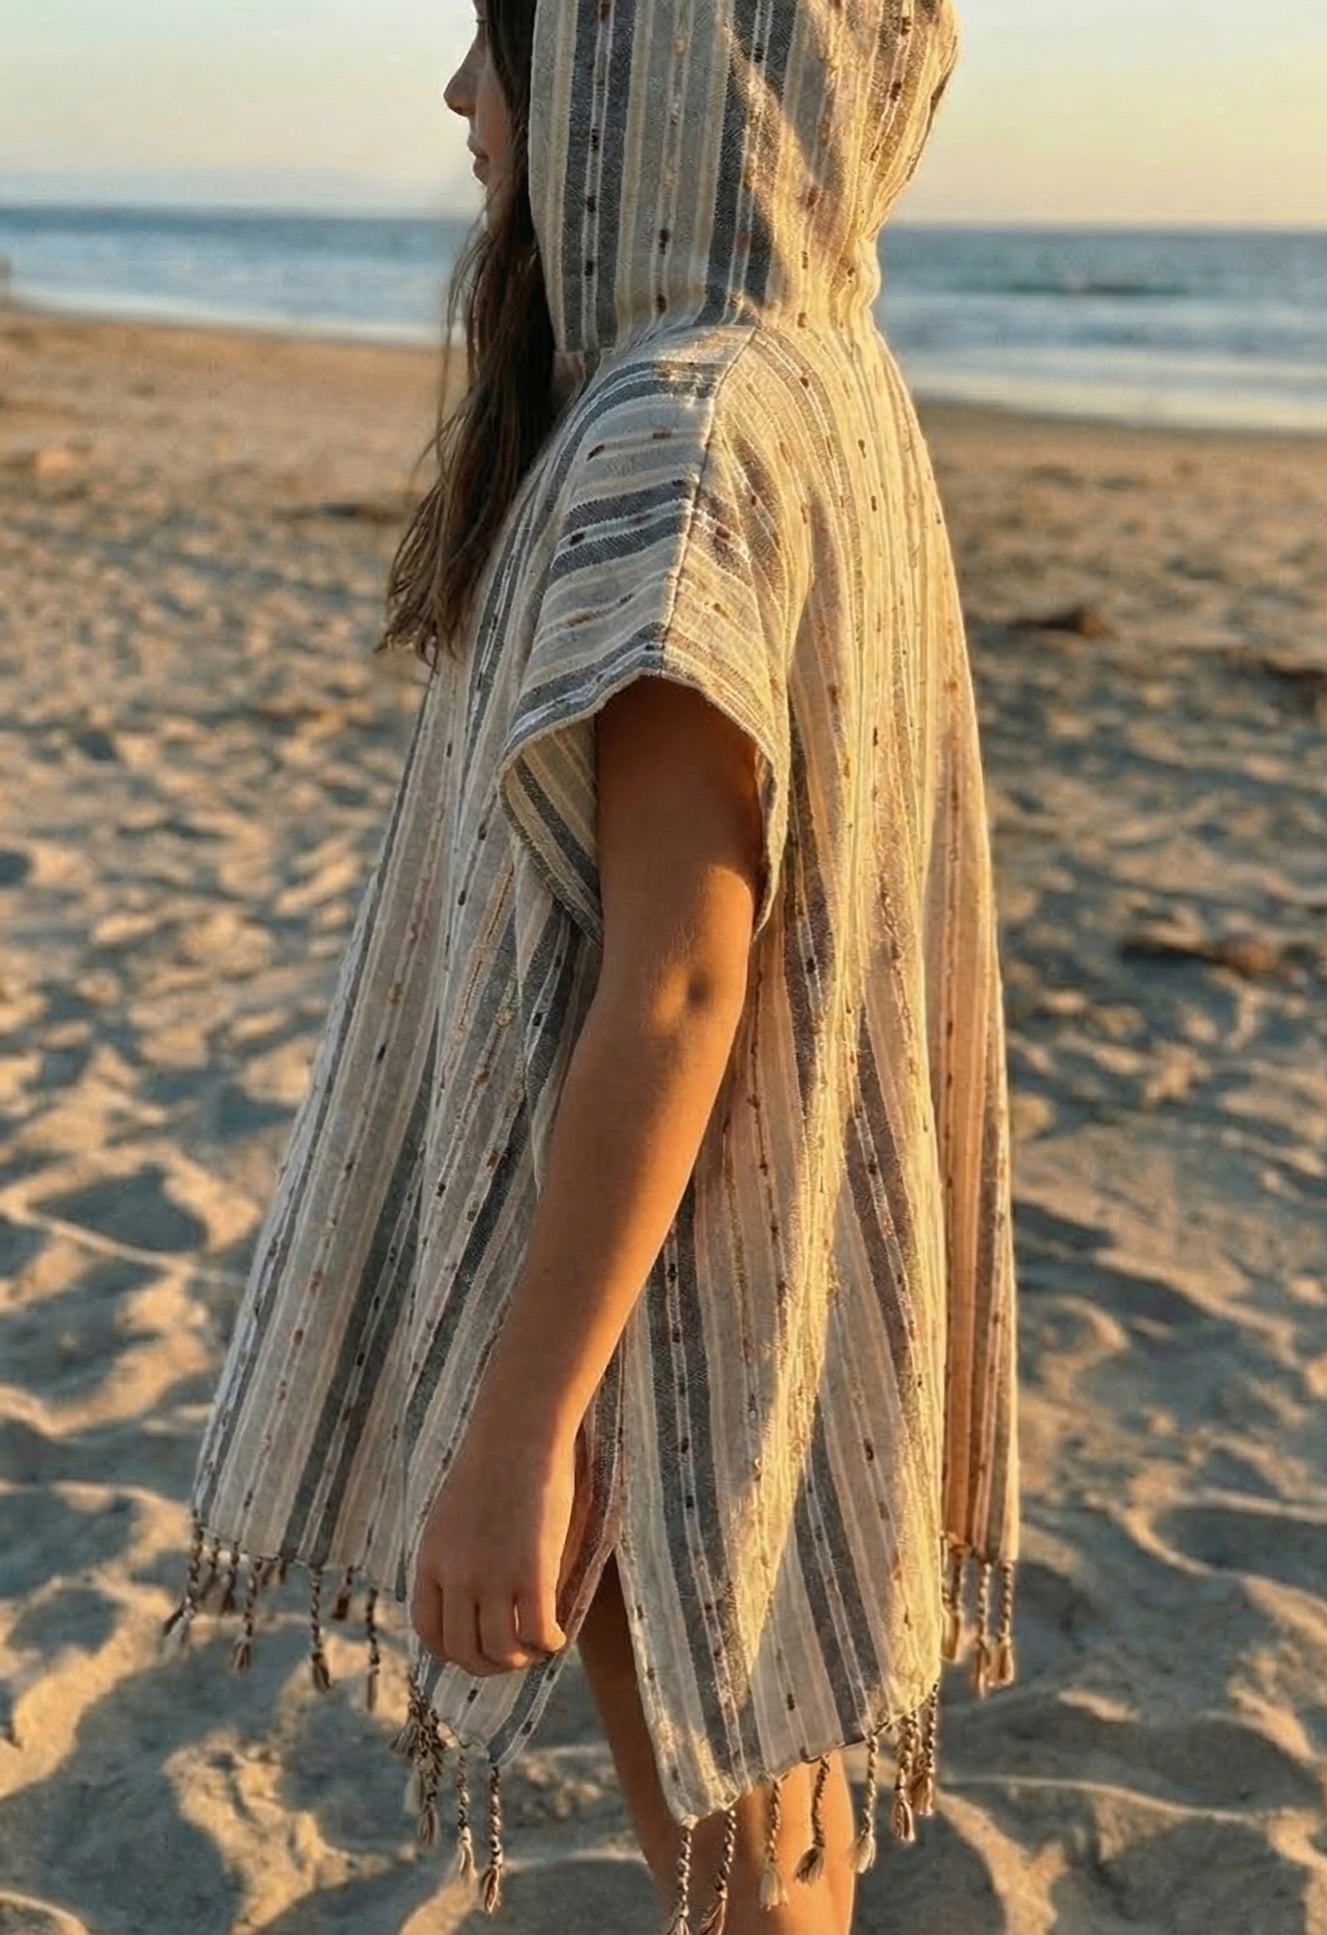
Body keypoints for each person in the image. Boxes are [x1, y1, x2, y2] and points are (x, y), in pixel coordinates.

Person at [159, 4, 1022, 1932]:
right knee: (767, 1843)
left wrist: (519, 1435)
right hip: (773, 1245)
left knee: (739, 1875)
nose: (463, 99)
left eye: (504, 49)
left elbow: (679, 981)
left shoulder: (683, 429)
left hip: (666, 1297)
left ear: (650, 84)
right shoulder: (827, 384)